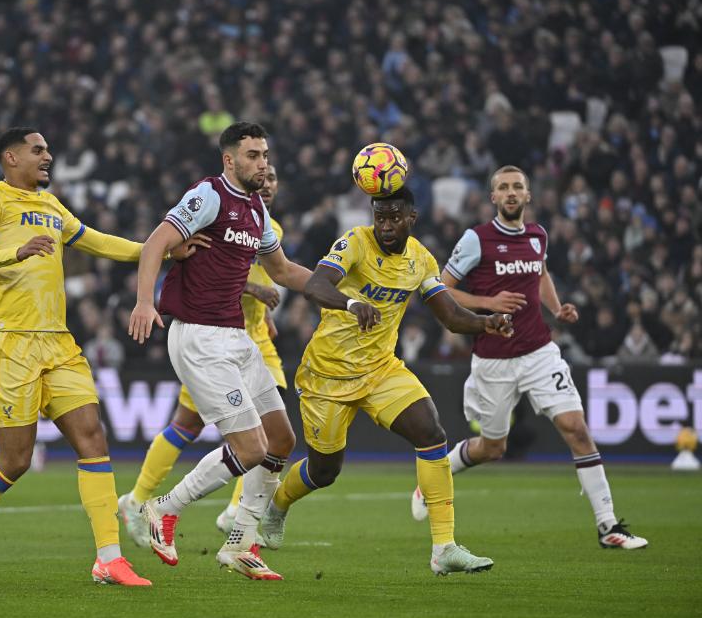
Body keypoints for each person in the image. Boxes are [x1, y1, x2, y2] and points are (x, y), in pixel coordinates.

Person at [0, 127, 204, 587]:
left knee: (92, 439)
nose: (48, 156)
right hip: (10, 341)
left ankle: (108, 558)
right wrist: (15, 251)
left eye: (48, 150)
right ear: (11, 158)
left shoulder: (52, 206)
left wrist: (159, 251)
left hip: (57, 342)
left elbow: (98, 242)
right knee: (14, 459)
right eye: (38, 151)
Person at [258, 184, 514, 576]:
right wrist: (351, 302)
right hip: (327, 374)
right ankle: (278, 505)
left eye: (395, 217)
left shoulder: (421, 260)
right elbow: (314, 285)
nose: (386, 225)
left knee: (431, 433)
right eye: (380, 217)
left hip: (380, 369)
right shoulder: (355, 243)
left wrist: (485, 323)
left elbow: (448, 315)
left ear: (412, 218)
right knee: (325, 470)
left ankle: (443, 547)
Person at [410, 165, 648, 550]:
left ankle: (608, 526)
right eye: (502, 187)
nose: (510, 192)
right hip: (493, 359)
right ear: (493, 197)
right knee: (493, 448)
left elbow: (540, 273)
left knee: (576, 428)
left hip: (539, 351)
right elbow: (439, 288)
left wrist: (556, 308)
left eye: (517, 187)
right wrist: (488, 303)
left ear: (528, 195)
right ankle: (431, 481)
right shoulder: (477, 239)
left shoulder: (538, 236)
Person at [128, 122, 312, 580]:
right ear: (229, 160)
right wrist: (145, 302)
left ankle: (240, 544)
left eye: (265, 155)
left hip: (235, 336)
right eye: (253, 155)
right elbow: (156, 243)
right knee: (249, 448)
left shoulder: (258, 213)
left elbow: (285, 271)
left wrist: (346, 291)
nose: (263, 164)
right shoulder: (208, 195)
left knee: (282, 440)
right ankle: (163, 508)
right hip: (198, 336)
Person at [117, 165, 287, 548]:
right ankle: (141, 500)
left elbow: (267, 270)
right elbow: (208, 264)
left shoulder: (266, 224)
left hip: (250, 337)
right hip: (207, 336)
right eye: (261, 168)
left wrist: (265, 316)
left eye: (274, 176)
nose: (268, 181)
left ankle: (234, 516)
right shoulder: (213, 203)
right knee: (189, 428)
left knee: (274, 434)